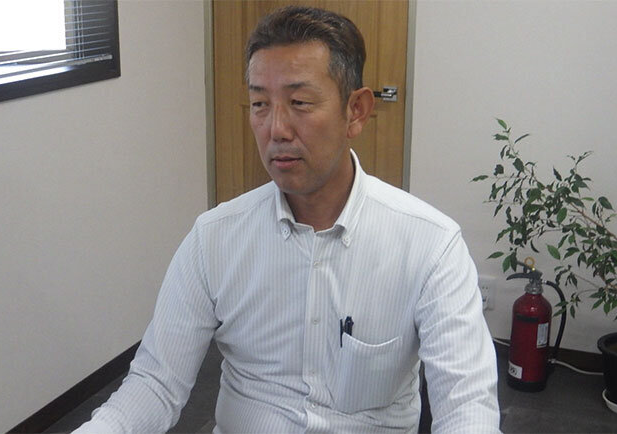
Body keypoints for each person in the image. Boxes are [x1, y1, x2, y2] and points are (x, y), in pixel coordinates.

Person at [75, 6, 500, 433]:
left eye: (299, 103)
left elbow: (466, 409)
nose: (276, 129)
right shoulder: (214, 238)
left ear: (356, 111)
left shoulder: (430, 245)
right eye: (260, 104)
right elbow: (154, 385)